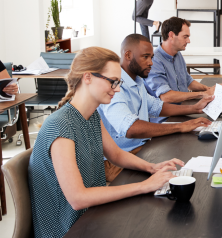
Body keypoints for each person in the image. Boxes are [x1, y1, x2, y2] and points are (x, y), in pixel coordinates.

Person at [28, 47, 183, 238]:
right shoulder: (60, 127)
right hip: (69, 229)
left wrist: (152, 167)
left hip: (92, 217)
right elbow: (78, 198)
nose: (117, 89)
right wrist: (145, 186)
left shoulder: (91, 115)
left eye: (118, 83)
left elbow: (115, 154)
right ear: (87, 77)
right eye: (112, 82)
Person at [98, 34, 213, 182]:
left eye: (151, 57)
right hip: (117, 160)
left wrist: (195, 109)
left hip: (140, 148)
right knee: (178, 170)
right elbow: (130, 129)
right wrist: (180, 126)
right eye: (145, 57)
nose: (151, 62)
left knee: (184, 161)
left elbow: (156, 107)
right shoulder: (115, 86)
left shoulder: (137, 81)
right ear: (128, 55)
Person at [145, 17, 219, 123]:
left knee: (215, 119)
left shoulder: (177, 54)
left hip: (182, 110)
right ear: (171, 35)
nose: (188, 41)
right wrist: (203, 94)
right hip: (166, 119)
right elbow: (166, 97)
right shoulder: (155, 61)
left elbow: (188, 81)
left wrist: (208, 89)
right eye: (185, 37)